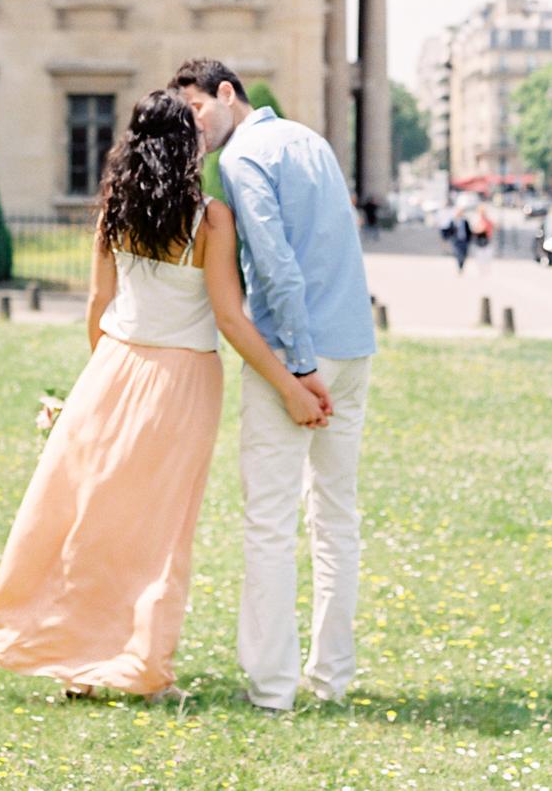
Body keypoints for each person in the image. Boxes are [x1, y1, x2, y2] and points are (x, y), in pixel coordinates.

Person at [0, 90, 328, 703]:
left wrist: (93, 388)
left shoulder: (114, 208)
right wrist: (292, 388)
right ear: (186, 145)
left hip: (111, 370)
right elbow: (232, 321)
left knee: (92, 522)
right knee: (161, 532)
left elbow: (98, 306)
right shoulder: (210, 218)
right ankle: (140, 669)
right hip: (181, 382)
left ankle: (81, 664)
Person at [170, 59, 375, 714]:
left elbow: (278, 266)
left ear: (227, 94)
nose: (194, 125)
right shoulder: (311, 140)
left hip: (298, 354)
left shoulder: (243, 157)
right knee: (336, 517)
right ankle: (332, 677)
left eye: (198, 108)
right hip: (353, 345)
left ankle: (273, 687)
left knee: (269, 520)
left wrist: (300, 367)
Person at [451, 205, 471, 273]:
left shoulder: (465, 221)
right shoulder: (453, 221)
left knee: (464, 254)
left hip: (464, 240)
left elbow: (469, 231)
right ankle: (459, 266)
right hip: (456, 241)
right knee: (457, 253)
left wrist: (469, 239)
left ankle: (461, 265)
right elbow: (450, 230)